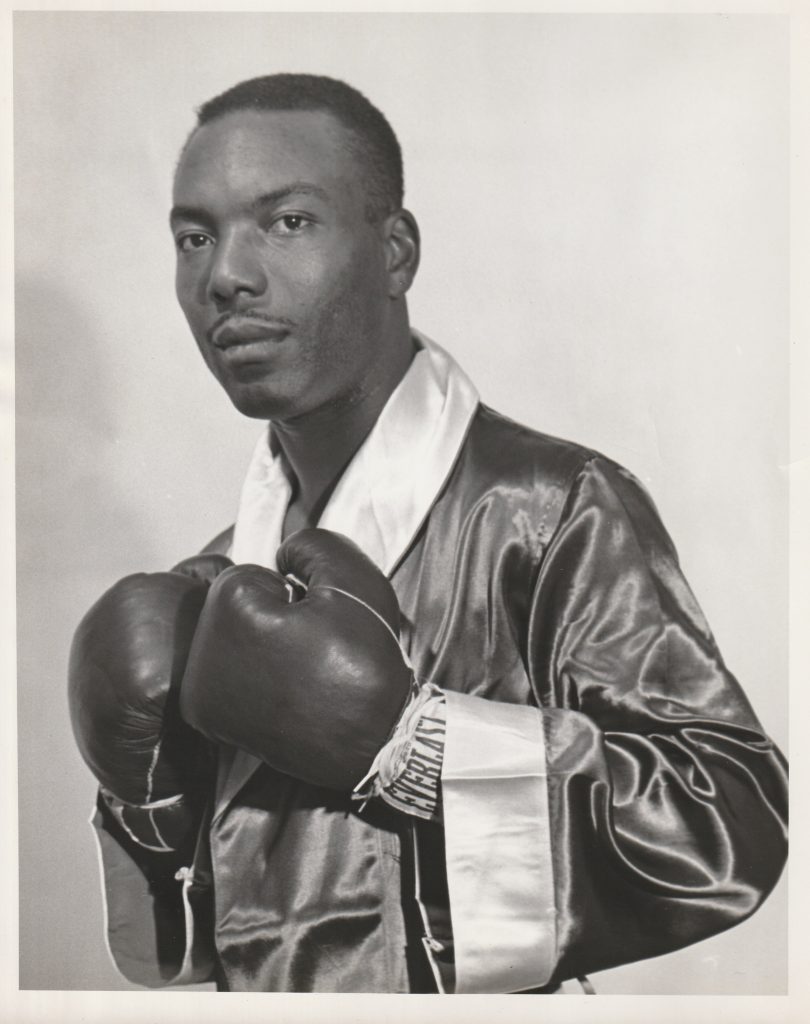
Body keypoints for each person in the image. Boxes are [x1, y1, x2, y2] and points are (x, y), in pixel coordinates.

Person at [67, 73, 788, 995]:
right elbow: (203, 956)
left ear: (396, 252)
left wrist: (411, 745)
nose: (226, 276)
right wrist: (151, 802)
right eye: (195, 237)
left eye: (287, 222)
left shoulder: (545, 507)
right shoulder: (214, 582)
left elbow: (729, 822)